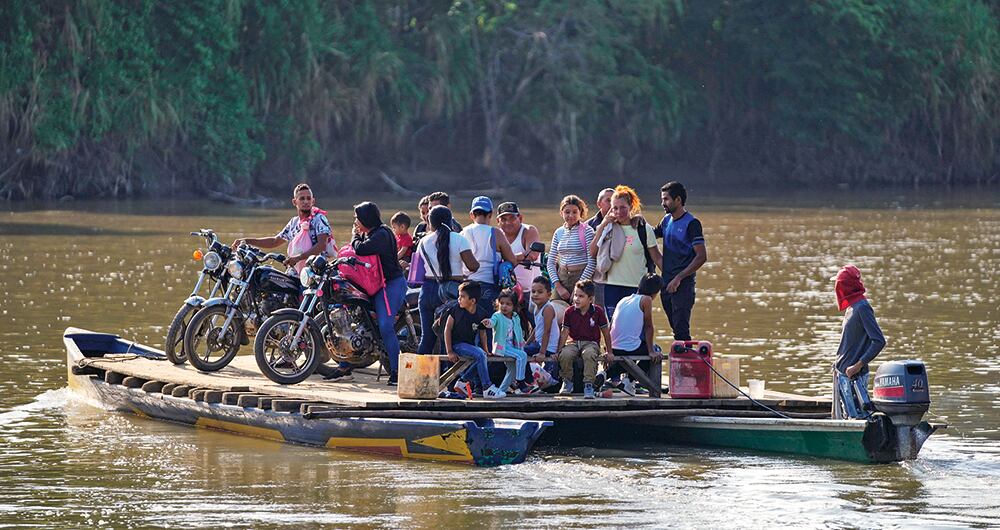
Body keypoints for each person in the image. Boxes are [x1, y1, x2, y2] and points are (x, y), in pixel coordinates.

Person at [320, 202, 407, 385]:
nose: (356, 221)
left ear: (366, 218)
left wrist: (355, 235)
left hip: (390, 284)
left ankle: (397, 372)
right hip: (373, 283)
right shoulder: (370, 233)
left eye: (357, 218)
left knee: (385, 326)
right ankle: (344, 367)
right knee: (351, 319)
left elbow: (360, 249)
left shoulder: (382, 234)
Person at [590, 185, 663, 319]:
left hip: (637, 288)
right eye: (615, 208)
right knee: (615, 327)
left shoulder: (643, 228)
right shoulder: (608, 228)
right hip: (611, 287)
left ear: (631, 207)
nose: (619, 212)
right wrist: (603, 225)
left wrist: (671, 278)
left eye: (623, 207)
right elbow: (592, 252)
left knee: (636, 327)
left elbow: (657, 257)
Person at [415, 206, 479, 354]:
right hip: (451, 292)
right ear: (450, 221)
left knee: (427, 338)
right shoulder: (459, 239)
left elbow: (417, 271)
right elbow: (473, 266)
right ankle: (447, 370)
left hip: (427, 291)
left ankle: (419, 369)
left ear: (430, 223)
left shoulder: (423, 242)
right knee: (448, 338)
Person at [232, 183, 335, 272]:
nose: (306, 201)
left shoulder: (319, 219)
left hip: (315, 272)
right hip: (295, 270)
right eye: (302, 198)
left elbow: (321, 245)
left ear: (313, 201)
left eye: (308, 198)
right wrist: (246, 241)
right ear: (294, 202)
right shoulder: (293, 223)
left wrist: (298, 258)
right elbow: (274, 241)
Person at [831, 265, 886, 419]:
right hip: (842, 376)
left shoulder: (862, 308)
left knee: (860, 418)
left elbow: (879, 341)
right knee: (848, 418)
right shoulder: (851, 307)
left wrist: (857, 366)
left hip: (854, 378)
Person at [655, 181, 707, 341]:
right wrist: (637, 221)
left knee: (681, 330)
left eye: (666, 199)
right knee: (676, 329)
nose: (663, 203)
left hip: (683, 285)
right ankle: (681, 354)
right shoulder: (666, 221)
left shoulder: (692, 223)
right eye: (662, 199)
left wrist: (679, 278)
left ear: (678, 200)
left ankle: (686, 356)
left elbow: (701, 256)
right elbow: (650, 234)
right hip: (666, 283)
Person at [461, 196, 516, 325]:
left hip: (466, 287)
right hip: (488, 287)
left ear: (471, 215)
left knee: (469, 326)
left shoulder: (463, 233)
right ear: (490, 214)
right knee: (489, 326)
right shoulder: (496, 233)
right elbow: (512, 261)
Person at [445, 281, 504, 398]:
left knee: (484, 356)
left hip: (470, 346)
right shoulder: (456, 310)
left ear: (472, 301)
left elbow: (482, 333)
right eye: (459, 296)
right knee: (480, 355)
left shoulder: (481, 313)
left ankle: (463, 381)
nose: (459, 299)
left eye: (462, 297)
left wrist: (486, 350)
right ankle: (487, 387)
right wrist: (450, 351)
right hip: (457, 345)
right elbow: (447, 330)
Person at [607, 273, 664, 394]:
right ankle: (629, 381)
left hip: (614, 347)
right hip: (628, 348)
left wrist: (608, 349)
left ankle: (603, 374)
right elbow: (649, 327)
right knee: (656, 350)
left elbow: (610, 326)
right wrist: (651, 351)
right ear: (655, 291)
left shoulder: (624, 300)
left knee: (630, 352)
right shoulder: (646, 299)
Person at [557, 280, 612, 399]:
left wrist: (609, 351)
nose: (576, 299)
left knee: (589, 354)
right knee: (565, 354)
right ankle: (567, 381)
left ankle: (589, 384)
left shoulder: (598, 312)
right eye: (575, 295)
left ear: (590, 299)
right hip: (574, 342)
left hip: (590, 343)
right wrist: (558, 350)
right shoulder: (569, 312)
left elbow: (606, 332)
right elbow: (564, 332)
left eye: (581, 296)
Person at [547, 195, 596, 303]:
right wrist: (558, 286)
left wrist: (578, 287)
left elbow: (592, 262)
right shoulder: (559, 232)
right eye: (567, 212)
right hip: (562, 278)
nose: (571, 215)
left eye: (574, 212)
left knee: (579, 310)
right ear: (561, 213)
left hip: (582, 278)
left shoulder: (587, 231)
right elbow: (550, 262)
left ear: (580, 212)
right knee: (554, 308)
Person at [481, 290, 532, 394]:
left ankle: (501, 391)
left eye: (508, 304)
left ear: (514, 306)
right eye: (502, 303)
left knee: (512, 370)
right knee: (522, 355)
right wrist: (488, 322)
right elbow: (492, 322)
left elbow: (518, 331)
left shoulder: (515, 317)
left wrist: (522, 342)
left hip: (513, 347)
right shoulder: (497, 316)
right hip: (502, 347)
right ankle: (520, 381)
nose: (504, 306)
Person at [496, 201, 541, 295]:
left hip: (530, 291)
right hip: (505, 293)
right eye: (503, 219)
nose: (508, 222)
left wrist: (509, 258)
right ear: (498, 222)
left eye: (512, 218)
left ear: (520, 218)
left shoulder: (529, 230)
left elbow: (533, 255)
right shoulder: (497, 235)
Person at [524, 275, 561, 387]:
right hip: (540, 344)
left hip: (548, 347)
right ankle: (529, 379)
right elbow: (537, 328)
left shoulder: (548, 308)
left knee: (521, 353)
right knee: (521, 351)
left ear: (549, 295)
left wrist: (542, 353)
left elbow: (547, 331)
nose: (535, 294)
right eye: (533, 291)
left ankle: (529, 381)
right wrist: (527, 343)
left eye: (540, 292)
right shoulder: (537, 306)